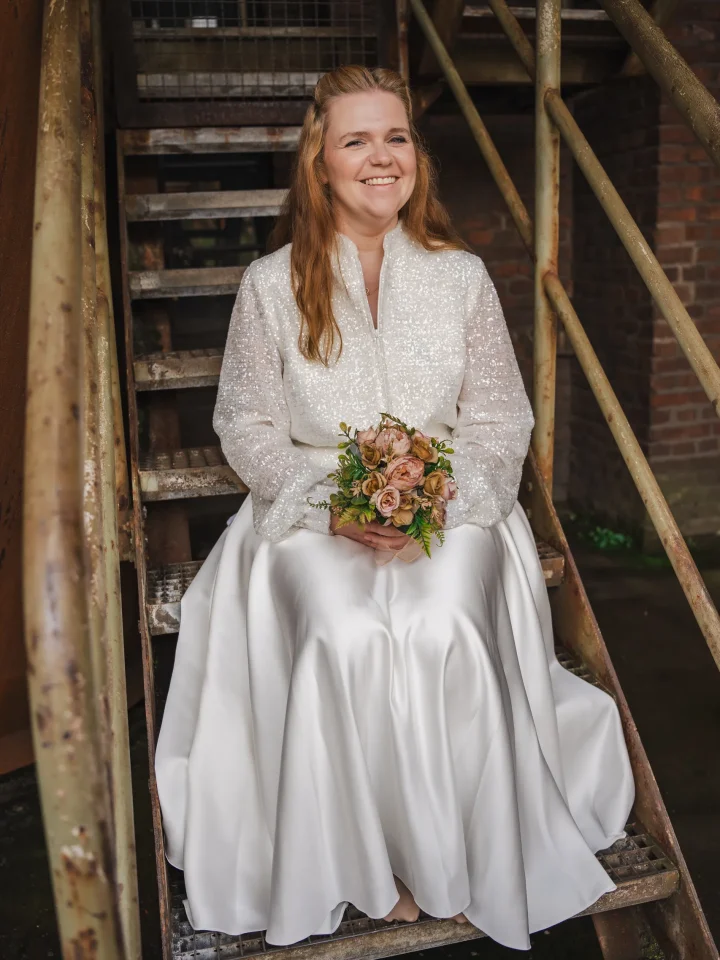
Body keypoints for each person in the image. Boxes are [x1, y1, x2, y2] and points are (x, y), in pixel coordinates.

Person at [154, 65, 634, 952]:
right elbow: (244, 423)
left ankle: (458, 853)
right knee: (342, 633)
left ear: (417, 155)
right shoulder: (270, 283)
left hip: (453, 499)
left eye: (397, 137)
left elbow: (500, 421)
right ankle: (363, 863)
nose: (382, 158)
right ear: (320, 163)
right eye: (356, 140)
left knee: (443, 622)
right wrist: (327, 506)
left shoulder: (462, 277)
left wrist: (444, 496)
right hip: (311, 507)